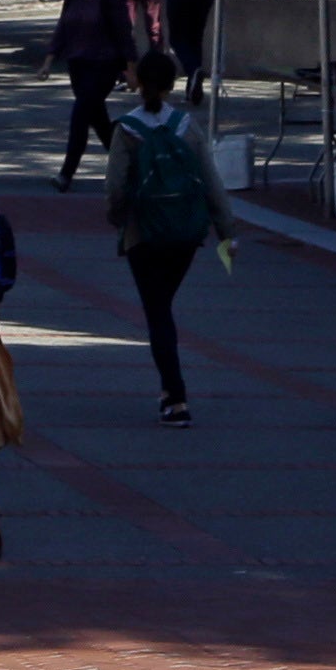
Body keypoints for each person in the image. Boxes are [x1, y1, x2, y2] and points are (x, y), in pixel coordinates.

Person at [103, 47, 223, 425]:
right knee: (162, 306)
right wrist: (226, 229)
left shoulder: (127, 128)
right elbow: (211, 181)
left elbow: (115, 186)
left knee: (157, 312)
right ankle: (171, 393)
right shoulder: (188, 126)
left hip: (144, 232)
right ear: (172, 84)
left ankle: (176, 396)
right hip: (185, 231)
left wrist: (118, 218)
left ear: (138, 80)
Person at [48, 0, 131, 189]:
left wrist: (130, 67)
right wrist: (49, 58)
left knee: (81, 114)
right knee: (99, 120)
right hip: (78, 64)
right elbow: (63, 27)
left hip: (104, 65)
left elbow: (123, 34)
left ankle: (66, 173)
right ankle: (129, 164)